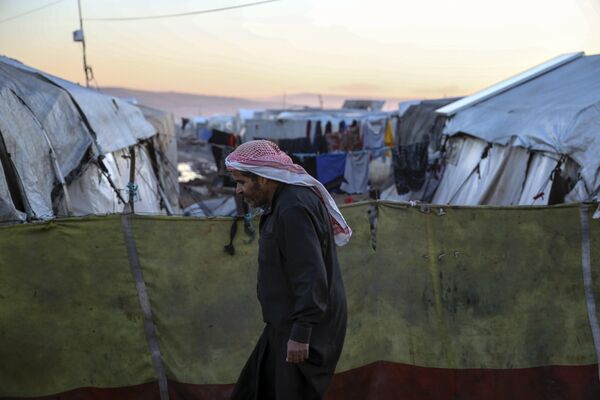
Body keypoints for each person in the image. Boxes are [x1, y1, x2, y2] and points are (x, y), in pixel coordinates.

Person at [226, 140, 351, 400]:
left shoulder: (293, 207)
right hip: (284, 325)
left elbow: (310, 273)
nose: (238, 191)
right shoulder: (283, 202)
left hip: (304, 331)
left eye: (241, 182)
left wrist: (302, 332)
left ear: (264, 179)